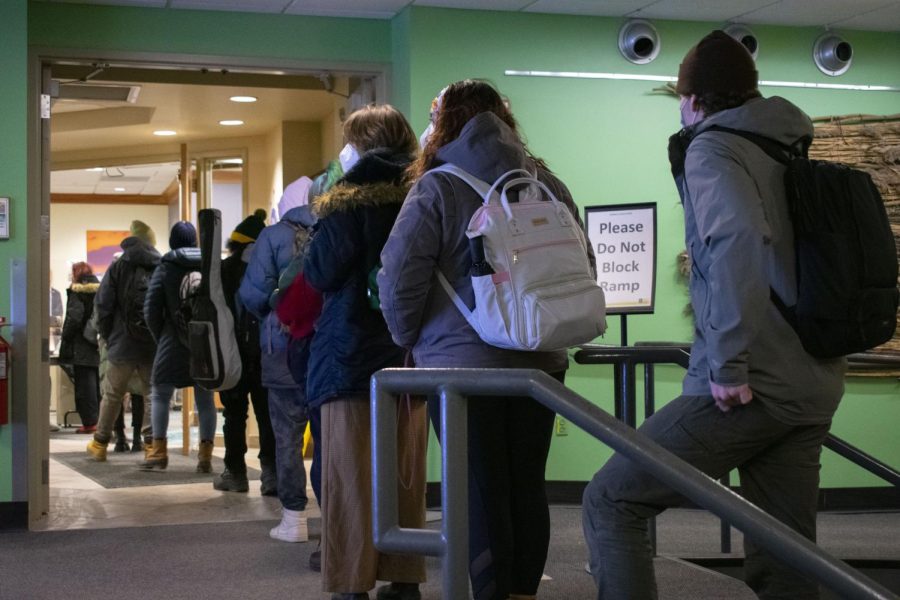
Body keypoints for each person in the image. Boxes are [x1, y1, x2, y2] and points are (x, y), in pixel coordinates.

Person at [581, 31, 846, 600]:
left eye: (681, 98)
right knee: (785, 552)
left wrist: (727, 364)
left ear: (694, 101)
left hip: (752, 383)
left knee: (613, 498)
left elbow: (738, 242)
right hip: (811, 381)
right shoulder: (785, 145)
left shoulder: (714, 148)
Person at [378, 80, 590, 600]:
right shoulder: (546, 184)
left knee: (478, 490)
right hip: (542, 361)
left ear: (445, 124)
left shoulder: (437, 187)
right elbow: (580, 264)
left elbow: (398, 276)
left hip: (462, 369)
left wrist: (409, 338)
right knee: (525, 486)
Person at [303, 104, 425, 600]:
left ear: (362, 146)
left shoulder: (345, 202)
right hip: (410, 354)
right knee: (405, 472)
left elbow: (319, 274)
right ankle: (405, 576)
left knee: (349, 474)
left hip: (349, 355)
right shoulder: (425, 194)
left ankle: (352, 581)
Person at [239, 181, 314, 543]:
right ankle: (336, 517)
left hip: (282, 347)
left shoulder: (271, 237)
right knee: (332, 435)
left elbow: (252, 293)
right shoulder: (334, 228)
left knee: (286, 437)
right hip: (327, 349)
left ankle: (293, 518)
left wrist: (276, 305)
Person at [140, 221, 218, 472]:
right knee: (205, 399)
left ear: (172, 241)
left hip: (172, 338)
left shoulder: (166, 267)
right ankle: (205, 457)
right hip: (205, 339)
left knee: (161, 394)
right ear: (195, 240)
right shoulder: (210, 264)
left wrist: (161, 336)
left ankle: (158, 453)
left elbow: (151, 308)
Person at [214, 209, 277, 494]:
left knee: (234, 414)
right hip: (266, 352)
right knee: (267, 415)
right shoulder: (270, 266)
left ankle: (235, 472)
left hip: (232, 353)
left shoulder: (223, 270)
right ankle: (271, 474)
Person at [87, 220, 158, 461]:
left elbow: (103, 304)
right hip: (151, 342)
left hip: (121, 342)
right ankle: (151, 446)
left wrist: (107, 336)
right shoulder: (160, 265)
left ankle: (100, 444)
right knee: (151, 395)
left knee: (113, 394)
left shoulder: (118, 266)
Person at [58, 261, 100, 434]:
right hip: (98, 343)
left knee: (85, 386)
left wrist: (65, 336)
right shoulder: (100, 289)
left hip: (81, 345)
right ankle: (100, 421)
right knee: (97, 385)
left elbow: (75, 317)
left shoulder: (78, 291)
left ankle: (90, 423)